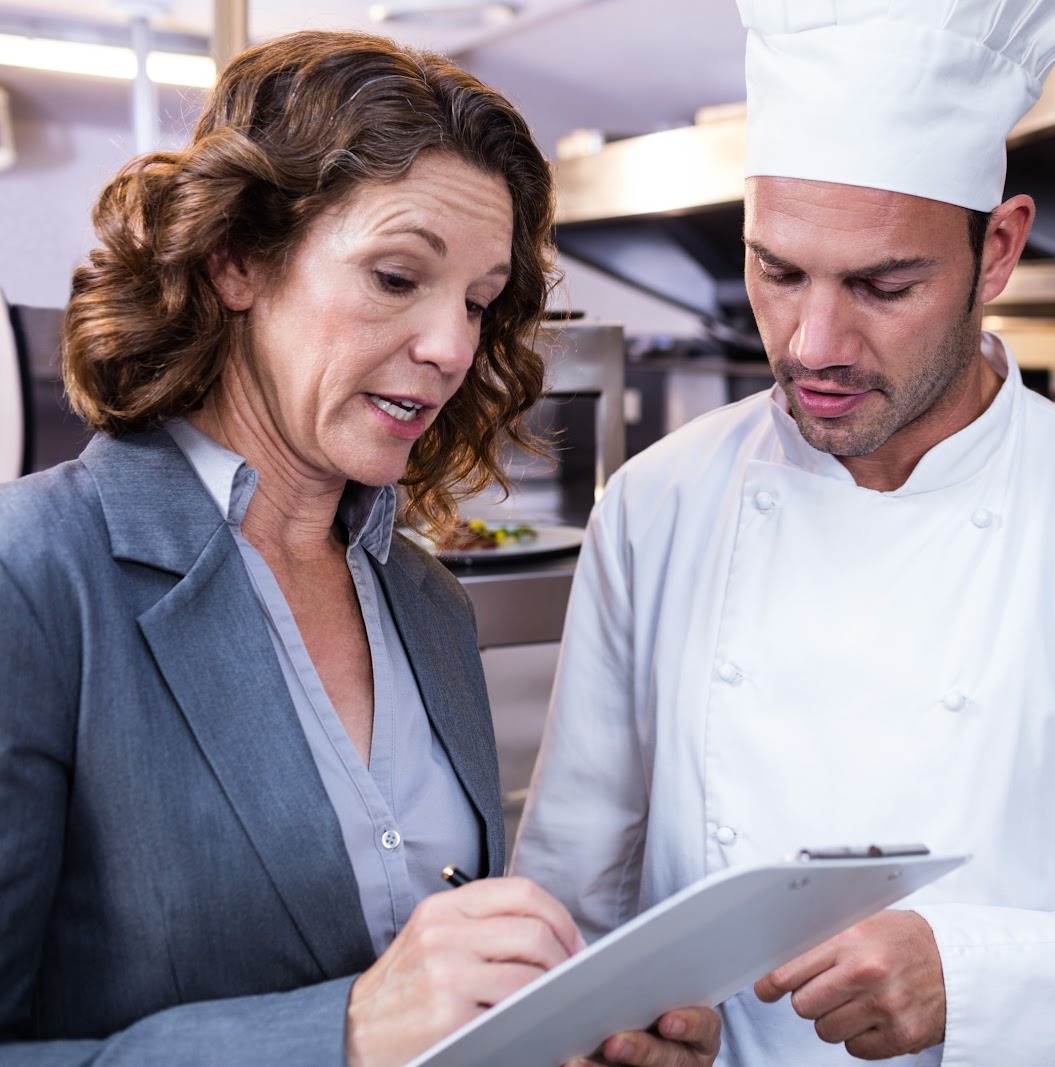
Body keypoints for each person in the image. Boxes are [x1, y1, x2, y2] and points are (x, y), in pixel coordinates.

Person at [514, 3, 1055, 1064]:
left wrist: (983, 980)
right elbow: (572, 896)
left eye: (881, 285)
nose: (813, 343)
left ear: (997, 250)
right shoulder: (656, 504)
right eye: (777, 271)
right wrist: (596, 1029)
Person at [0, 31, 718, 1067]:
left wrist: (553, 1031)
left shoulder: (424, 600)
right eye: (395, 276)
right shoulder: (36, 576)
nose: (453, 347)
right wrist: (333, 1032)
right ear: (234, 258)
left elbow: (426, 996)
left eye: (477, 301)